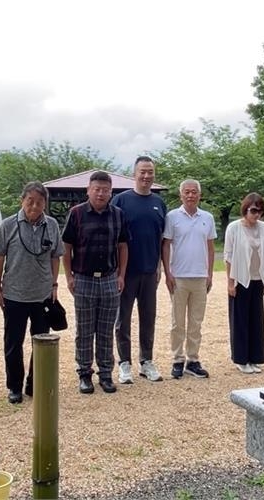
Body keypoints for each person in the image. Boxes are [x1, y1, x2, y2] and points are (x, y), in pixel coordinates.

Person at [0, 182, 64, 404]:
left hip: (42, 295)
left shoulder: (52, 225)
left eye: (39, 202)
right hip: (14, 294)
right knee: (13, 343)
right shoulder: (8, 225)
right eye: (30, 201)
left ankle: (35, 384)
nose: (34, 206)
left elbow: (55, 256)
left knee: (41, 342)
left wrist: (54, 285)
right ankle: (14, 386)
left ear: (45, 204)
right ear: (22, 200)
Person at [62, 171, 129, 395]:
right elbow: (67, 246)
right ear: (88, 190)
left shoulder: (118, 215)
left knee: (106, 329)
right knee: (84, 329)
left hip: (109, 278)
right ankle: (84, 373)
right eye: (97, 189)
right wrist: (69, 276)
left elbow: (123, 246)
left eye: (105, 190)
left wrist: (121, 275)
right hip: (83, 278)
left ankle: (106, 373)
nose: (101, 194)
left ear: (111, 192)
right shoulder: (76, 213)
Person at [109, 156, 166, 384]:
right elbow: (113, 236)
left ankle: (146, 361)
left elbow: (161, 238)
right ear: (134, 174)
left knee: (148, 317)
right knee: (122, 318)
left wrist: (159, 266)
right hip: (126, 272)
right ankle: (124, 363)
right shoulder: (120, 201)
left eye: (150, 172)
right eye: (142, 171)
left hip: (149, 270)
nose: (146, 176)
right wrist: (116, 270)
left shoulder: (159, 203)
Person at [161, 179, 216, 380]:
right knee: (177, 323)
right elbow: (166, 245)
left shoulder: (207, 218)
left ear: (200, 195)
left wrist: (210, 273)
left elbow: (210, 248)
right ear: (181, 195)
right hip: (179, 277)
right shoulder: (172, 217)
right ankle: (177, 359)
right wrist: (168, 273)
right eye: (187, 192)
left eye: (194, 192)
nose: (191, 195)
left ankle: (193, 360)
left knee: (196, 322)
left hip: (200, 276)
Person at [224, 193, 264, 374]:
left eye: (260, 211)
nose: (256, 214)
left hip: (257, 278)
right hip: (240, 278)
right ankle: (240, 358)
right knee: (240, 320)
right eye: (253, 210)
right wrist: (230, 282)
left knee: (256, 320)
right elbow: (228, 256)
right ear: (245, 210)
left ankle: (255, 357)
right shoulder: (234, 228)